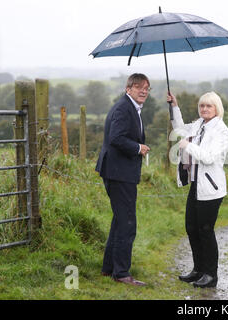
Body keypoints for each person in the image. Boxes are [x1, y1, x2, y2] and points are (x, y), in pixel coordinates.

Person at [167, 91, 228, 288]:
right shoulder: (199, 124)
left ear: (216, 108)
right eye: (202, 106)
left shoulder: (220, 130)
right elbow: (179, 128)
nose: (204, 109)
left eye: (208, 106)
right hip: (196, 185)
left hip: (211, 189)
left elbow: (209, 157)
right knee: (191, 228)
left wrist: (188, 146)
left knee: (205, 230)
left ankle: (211, 276)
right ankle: (198, 270)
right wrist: (174, 106)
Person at [95, 73, 151, 287]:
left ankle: (109, 268)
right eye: (139, 87)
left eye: (147, 87)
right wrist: (139, 148)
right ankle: (122, 273)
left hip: (119, 171)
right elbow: (116, 138)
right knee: (127, 222)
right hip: (119, 172)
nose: (143, 91)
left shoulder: (131, 107)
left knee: (119, 220)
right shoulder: (123, 108)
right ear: (128, 89)